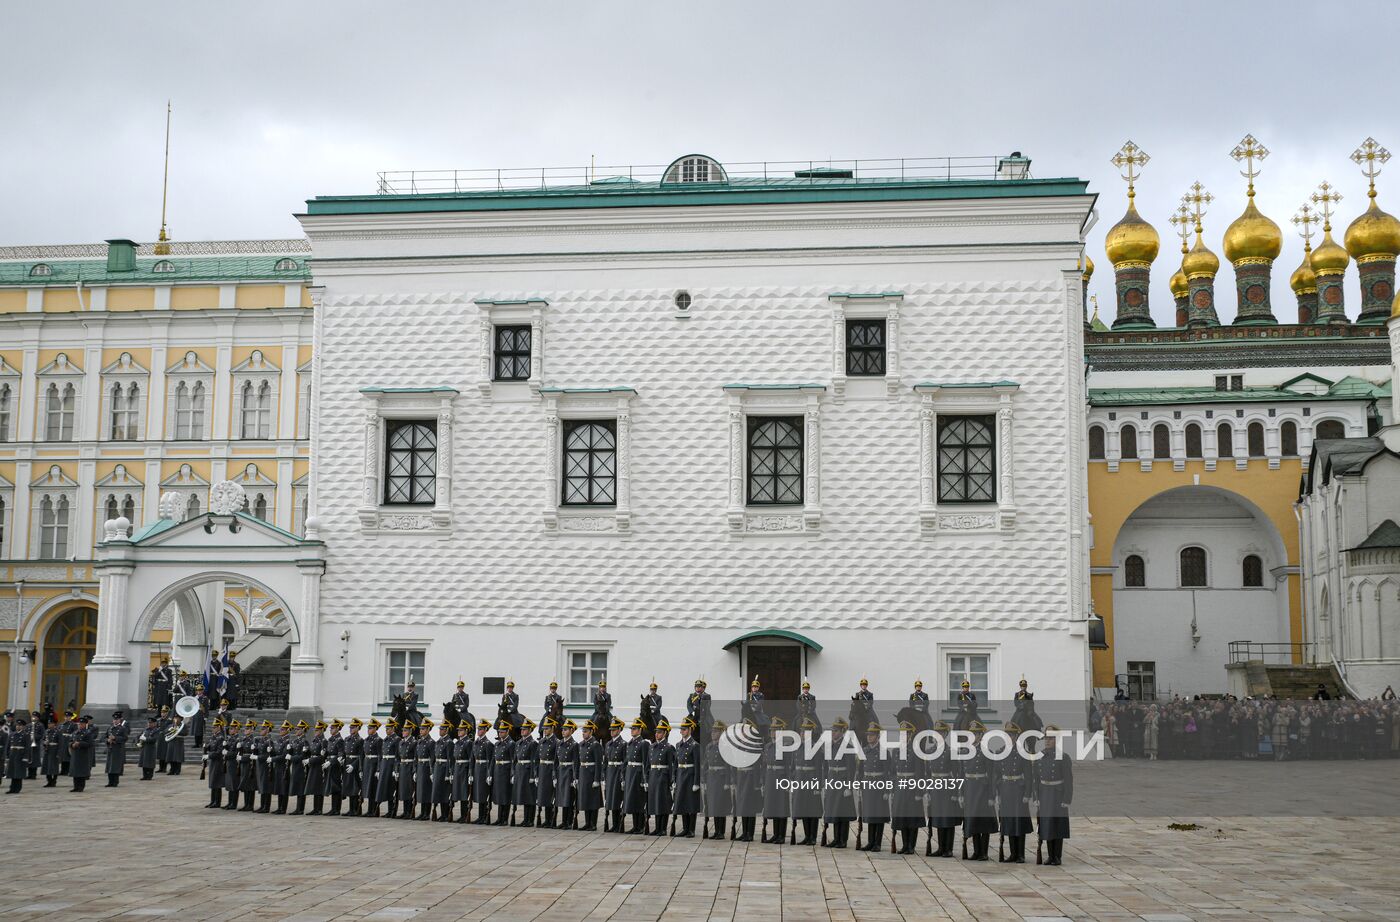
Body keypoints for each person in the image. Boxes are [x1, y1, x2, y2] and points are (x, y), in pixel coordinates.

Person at [1034, 725, 1073, 866]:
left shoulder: (1063, 757)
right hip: (1044, 794)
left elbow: (1068, 780)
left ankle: (1057, 856)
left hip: (1057, 795)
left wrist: (1067, 799)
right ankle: (1050, 856)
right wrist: (1036, 797)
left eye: (1051, 738)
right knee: (1046, 825)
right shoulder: (1039, 756)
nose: (1047, 741)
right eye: (1046, 738)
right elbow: (1036, 779)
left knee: (1057, 826)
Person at [960, 720, 998, 861]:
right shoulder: (965, 751)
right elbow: (961, 774)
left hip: (982, 790)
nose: (973, 736)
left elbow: (992, 775)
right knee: (973, 821)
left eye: (975, 734)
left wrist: (991, 795)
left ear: (981, 735)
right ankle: (976, 851)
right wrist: (961, 793)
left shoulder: (986, 752)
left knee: (984, 822)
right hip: (969, 789)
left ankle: (984, 852)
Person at [996, 722, 1034, 863]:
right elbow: (997, 775)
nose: (1009, 737)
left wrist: (1027, 794)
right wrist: (998, 793)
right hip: (1006, 790)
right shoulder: (1000, 752)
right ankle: (1012, 853)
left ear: (1016, 736)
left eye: (1012, 735)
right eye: (1007, 735)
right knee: (1009, 822)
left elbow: (1029, 775)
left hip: (1018, 790)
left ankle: (1020, 854)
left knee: (1019, 822)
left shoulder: (1022, 753)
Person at [927, 721, 962, 857]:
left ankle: (949, 848)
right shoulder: (930, 751)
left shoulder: (950, 752)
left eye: (941, 732)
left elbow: (956, 774)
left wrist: (955, 792)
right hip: (935, 787)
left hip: (947, 787)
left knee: (948, 819)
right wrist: (928, 790)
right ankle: (941, 848)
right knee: (938, 818)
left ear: (945, 734)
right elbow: (928, 773)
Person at [821, 718, 858, 848]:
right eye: (832, 731)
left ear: (843, 731)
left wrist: (848, 786)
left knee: (843, 812)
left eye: (836, 731)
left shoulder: (848, 747)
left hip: (842, 783)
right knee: (834, 811)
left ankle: (843, 840)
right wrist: (825, 782)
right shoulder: (829, 746)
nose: (833, 733)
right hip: (832, 781)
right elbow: (826, 767)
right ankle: (836, 839)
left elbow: (851, 769)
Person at [890, 720, 925, 854]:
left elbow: (920, 773)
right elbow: (893, 772)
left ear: (910, 735)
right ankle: (905, 845)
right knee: (902, 817)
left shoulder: (916, 751)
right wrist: (893, 788)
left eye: (906, 733)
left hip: (912, 787)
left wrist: (919, 792)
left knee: (912, 818)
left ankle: (911, 846)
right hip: (900, 787)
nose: (903, 736)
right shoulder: (896, 751)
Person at [857, 721, 889, 851]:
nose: (869, 737)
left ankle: (877, 843)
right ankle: (870, 842)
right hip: (868, 784)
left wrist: (887, 790)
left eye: (872, 735)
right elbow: (860, 771)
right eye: (868, 735)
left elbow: (887, 772)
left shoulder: (883, 751)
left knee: (879, 815)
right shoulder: (864, 750)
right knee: (870, 814)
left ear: (878, 736)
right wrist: (859, 786)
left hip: (879, 785)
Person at [792, 717, 823, 845]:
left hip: (811, 781)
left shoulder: (816, 748)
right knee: (804, 808)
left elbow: (819, 769)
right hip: (800, 781)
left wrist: (817, 786)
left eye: (804, 731)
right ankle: (807, 835)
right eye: (801, 731)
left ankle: (813, 837)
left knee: (812, 809)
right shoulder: (799, 747)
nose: (802, 734)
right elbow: (794, 767)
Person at [702, 720, 734, 840]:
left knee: (720, 805)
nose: (713, 733)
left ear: (721, 733)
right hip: (711, 778)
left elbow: (728, 765)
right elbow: (705, 764)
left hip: (720, 779)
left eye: (716, 731)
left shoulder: (725, 747)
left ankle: (721, 831)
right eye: (713, 731)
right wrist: (703, 779)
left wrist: (727, 782)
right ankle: (716, 831)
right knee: (713, 805)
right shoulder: (709, 746)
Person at [671, 716, 702, 838]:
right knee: (682, 802)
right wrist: (674, 778)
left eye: (684, 729)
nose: (682, 731)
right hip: (681, 775)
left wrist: (696, 782)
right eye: (681, 729)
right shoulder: (678, 745)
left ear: (690, 730)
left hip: (690, 776)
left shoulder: (695, 745)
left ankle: (691, 829)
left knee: (691, 803)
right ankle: (685, 828)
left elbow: (697, 765)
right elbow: (675, 763)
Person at [646, 718, 675, 836]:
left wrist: (671, 780)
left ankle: (663, 828)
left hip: (663, 777)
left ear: (665, 733)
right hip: (653, 776)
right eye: (656, 732)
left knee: (663, 803)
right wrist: (646, 779)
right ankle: (657, 828)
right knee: (655, 803)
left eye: (659, 732)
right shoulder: (651, 746)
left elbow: (671, 766)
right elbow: (647, 765)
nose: (657, 734)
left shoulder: (669, 747)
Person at [622, 716, 651, 834]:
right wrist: (624, 776)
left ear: (640, 730)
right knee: (632, 800)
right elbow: (626, 761)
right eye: (632, 729)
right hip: (630, 773)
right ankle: (635, 826)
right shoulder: (630, 743)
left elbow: (646, 762)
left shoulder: (644, 744)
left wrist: (645, 779)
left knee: (639, 800)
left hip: (638, 774)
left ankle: (640, 826)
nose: (632, 731)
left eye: (634, 729)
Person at [576, 719, 605, 832]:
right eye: (583, 731)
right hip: (583, 774)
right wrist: (577, 777)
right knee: (585, 799)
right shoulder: (581, 744)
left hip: (591, 774)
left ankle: (593, 823)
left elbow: (598, 763)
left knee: (593, 800)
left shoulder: (595, 745)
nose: (583, 733)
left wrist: (597, 779)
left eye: (586, 731)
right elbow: (578, 762)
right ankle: (587, 823)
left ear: (591, 732)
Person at [512, 717, 539, 827]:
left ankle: (530, 820)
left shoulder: (533, 743)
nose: (522, 731)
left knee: (530, 797)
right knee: (523, 796)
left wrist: (533, 775)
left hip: (528, 772)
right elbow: (515, 760)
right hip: (519, 771)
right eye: (522, 729)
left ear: (530, 730)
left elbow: (534, 761)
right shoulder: (518, 743)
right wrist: (513, 773)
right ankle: (525, 819)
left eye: (525, 729)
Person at [555, 718, 580, 831]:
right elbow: (556, 761)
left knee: (569, 799)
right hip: (561, 771)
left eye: (565, 730)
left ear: (571, 731)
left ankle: (569, 821)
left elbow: (576, 762)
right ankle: (563, 821)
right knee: (562, 798)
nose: (563, 732)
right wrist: (554, 775)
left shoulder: (574, 745)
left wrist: (575, 777)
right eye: (562, 730)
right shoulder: (559, 743)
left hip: (569, 772)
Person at [603, 716, 627, 832]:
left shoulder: (623, 744)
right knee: (610, 798)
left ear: (619, 730)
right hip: (610, 772)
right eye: (611, 730)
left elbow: (625, 761)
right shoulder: (608, 744)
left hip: (618, 773)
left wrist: (622, 776)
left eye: (614, 729)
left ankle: (618, 824)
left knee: (617, 798)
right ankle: (614, 824)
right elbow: (605, 761)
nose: (612, 732)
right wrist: (604, 775)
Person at [536, 716, 559, 828]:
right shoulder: (541, 741)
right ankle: (546, 819)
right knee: (543, 795)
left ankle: (551, 819)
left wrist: (554, 775)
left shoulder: (556, 742)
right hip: (542, 770)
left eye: (547, 728)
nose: (545, 731)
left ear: (552, 729)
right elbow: (537, 759)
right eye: (544, 729)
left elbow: (556, 760)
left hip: (550, 770)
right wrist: (536, 774)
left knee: (550, 796)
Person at [490, 719, 515, 826]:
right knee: (499, 795)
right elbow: (493, 760)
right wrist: (490, 773)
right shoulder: (497, 744)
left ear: (507, 731)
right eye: (499, 732)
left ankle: (504, 819)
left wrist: (512, 774)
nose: (500, 733)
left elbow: (513, 760)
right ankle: (499, 818)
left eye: (502, 732)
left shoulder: (511, 744)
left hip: (506, 771)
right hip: (497, 771)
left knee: (505, 796)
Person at [374, 719, 400, 819]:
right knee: (385, 788)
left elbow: (397, 756)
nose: (387, 730)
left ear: (393, 728)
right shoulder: (385, 739)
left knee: (392, 789)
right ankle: (389, 811)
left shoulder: (397, 739)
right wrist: (379, 769)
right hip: (384, 765)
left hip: (391, 765)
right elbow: (381, 756)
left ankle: (393, 811)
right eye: (386, 729)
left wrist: (395, 769)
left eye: (388, 728)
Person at [471, 719, 494, 825]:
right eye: (478, 729)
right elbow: (472, 759)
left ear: (485, 730)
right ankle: (480, 816)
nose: (478, 731)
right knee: (478, 794)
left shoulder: (488, 744)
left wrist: (489, 774)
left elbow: (490, 760)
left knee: (484, 794)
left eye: (480, 729)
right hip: (477, 769)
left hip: (484, 770)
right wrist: (471, 773)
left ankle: (485, 816)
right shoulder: (476, 742)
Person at [451, 718, 474, 824]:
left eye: (461, 730)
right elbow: (454, 758)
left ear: (466, 731)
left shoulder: (468, 743)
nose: (459, 732)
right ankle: (462, 815)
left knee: (464, 793)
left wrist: (470, 772)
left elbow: (470, 758)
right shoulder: (458, 742)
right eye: (458, 730)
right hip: (457, 768)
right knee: (458, 792)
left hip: (464, 769)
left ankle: (465, 815)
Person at [432, 718, 454, 822]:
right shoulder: (439, 741)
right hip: (438, 768)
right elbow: (434, 758)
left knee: (445, 793)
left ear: (446, 730)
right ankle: (442, 814)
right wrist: (433, 771)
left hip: (444, 768)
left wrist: (448, 773)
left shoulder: (449, 742)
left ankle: (446, 814)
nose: (440, 731)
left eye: (442, 729)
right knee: (439, 792)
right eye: (440, 729)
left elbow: (450, 759)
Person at [413, 718, 436, 820]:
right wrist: (415, 770)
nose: (421, 731)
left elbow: (432, 758)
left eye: (423, 729)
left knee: (427, 791)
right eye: (420, 729)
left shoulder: (431, 742)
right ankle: (422, 812)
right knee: (421, 791)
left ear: (428, 730)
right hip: (420, 767)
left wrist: (432, 772)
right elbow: (416, 757)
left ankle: (427, 813)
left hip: (427, 768)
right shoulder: (419, 742)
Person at [305, 719, 328, 816]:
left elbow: (322, 757)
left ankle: (319, 809)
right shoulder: (315, 740)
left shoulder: (323, 741)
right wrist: (306, 751)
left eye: (317, 730)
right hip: (313, 766)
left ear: (322, 730)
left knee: (319, 788)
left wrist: (310, 760)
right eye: (315, 730)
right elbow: (312, 752)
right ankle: (315, 808)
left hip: (319, 766)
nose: (315, 731)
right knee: (314, 788)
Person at [361, 718, 383, 818]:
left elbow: (380, 755)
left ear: (375, 729)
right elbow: (362, 755)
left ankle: (374, 810)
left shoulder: (378, 740)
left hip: (373, 766)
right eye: (368, 728)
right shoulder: (366, 740)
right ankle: (369, 810)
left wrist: (378, 769)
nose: (368, 730)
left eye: (370, 728)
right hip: (367, 765)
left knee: (373, 788)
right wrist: (361, 769)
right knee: (368, 788)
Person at [344, 718, 365, 817]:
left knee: (355, 788)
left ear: (358, 728)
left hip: (355, 765)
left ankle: (357, 809)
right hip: (347, 763)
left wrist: (354, 765)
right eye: (350, 727)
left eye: (353, 728)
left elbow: (361, 756)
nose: (351, 729)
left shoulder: (360, 740)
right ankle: (351, 809)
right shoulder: (347, 739)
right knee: (349, 787)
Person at [69, 715, 96, 793]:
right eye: (79, 724)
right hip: (75, 754)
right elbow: (70, 741)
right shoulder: (75, 733)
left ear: (85, 724)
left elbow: (90, 744)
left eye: (81, 724)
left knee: (81, 772)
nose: (80, 725)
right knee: (75, 771)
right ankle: (75, 786)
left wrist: (80, 743)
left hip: (83, 754)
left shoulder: (88, 733)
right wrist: (72, 744)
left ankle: (81, 787)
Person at [204, 719, 225, 808]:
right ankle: (212, 801)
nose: (213, 729)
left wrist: (209, 755)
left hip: (218, 762)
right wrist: (206, 747)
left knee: (217, 782)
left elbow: (219, 752)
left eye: (215, 727)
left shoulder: (221, 738)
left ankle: (217, 802)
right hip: (213, 762)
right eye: (212, 727)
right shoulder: (213, 737)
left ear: (219, 727)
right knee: (212, 782)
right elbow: (211, 747)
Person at [5, 716, 29, 793]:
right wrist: (7, 755)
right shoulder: (12, 734)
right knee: (12, 772)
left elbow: (27, 747)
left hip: (20, 755)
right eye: (17, 725)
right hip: (12, 755)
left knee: (18, 772)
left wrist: (25, 757)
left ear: (23, 726)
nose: (18, 726)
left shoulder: (25, 735)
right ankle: (12, 788)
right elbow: (8, 746)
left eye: (20, 725)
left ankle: (18, 788)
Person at [41, 717, 62, 787]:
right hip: (48, 750)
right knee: (47, 766)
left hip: (54, 750)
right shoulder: (46, 731)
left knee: (54, 767)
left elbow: (60, 743)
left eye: (51, 723)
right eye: (48, 724)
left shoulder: (58, 732)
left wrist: (59, 753)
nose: (49, 725)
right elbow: (43, 739)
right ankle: (49, 780)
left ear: (54, 724)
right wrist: (44, 743)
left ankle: (54, 780)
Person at [166, 710, 186, 777]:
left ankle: (177, 770)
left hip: (178, 743)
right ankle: (172, 770)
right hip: (171, 742)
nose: (176, 719)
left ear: (180, 719)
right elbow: (165, 732)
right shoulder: (171, 725)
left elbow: (185, 733)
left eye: (177, 718)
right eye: (175, 718)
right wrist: (170, 730)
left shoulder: (183, 726)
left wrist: (177, 731)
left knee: (177, 758)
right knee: (171, 757)